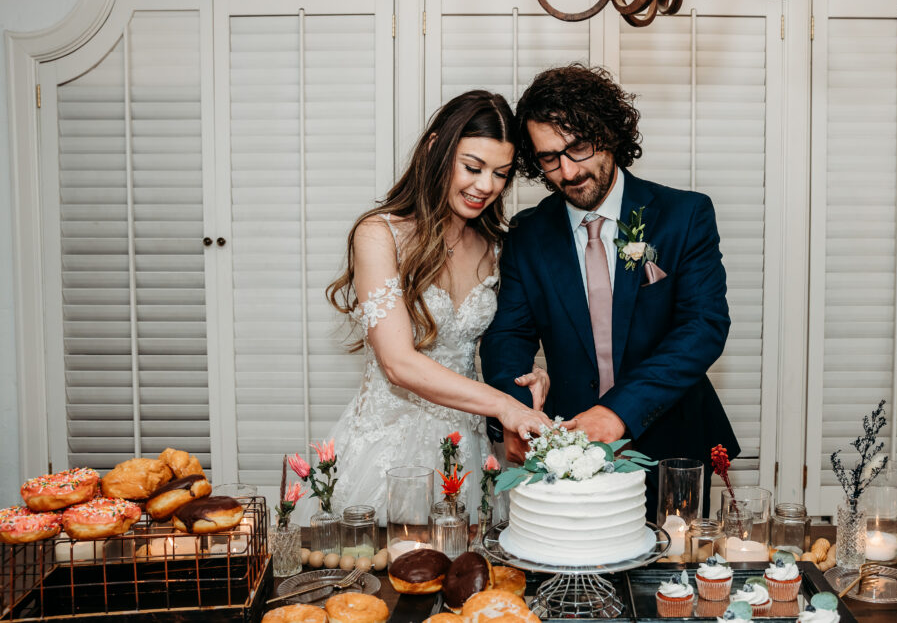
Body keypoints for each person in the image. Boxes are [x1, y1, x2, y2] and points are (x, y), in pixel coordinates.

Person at [480, 65, 740, 518]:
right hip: (565, 452)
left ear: (610, 132)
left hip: (671, 444)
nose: (568, 171)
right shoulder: (527, 233)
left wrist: (618, 411)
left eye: (578, 147)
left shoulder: (685, 215)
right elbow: (507, 337)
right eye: (548, 158)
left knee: (672, 581)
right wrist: (515, 413)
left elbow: (703, 327)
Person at [296, 90, 556, 523]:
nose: (486, 186)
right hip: (387, 450)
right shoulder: (380, 235)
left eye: (500, 174)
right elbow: (398, 363)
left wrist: (529, 381)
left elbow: (503, 341)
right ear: (436, 148)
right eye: (472, 167)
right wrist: (504, 406)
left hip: (468, 446)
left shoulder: (496, 246)